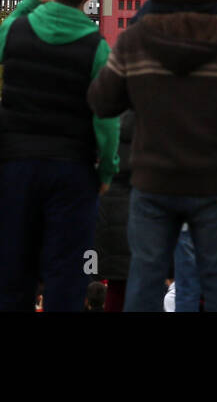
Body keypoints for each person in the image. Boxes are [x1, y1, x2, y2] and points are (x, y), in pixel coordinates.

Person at [88, 2, 217, 312]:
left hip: (136, 207)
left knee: (136, 288)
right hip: (202, 194)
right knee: (210, 284)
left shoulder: (132, 91)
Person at [0, 0, 118, 312]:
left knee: (15, 265)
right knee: (66, 271)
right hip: (72, 171)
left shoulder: (18, 30)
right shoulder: (97, 47)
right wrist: (106, 172)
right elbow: (106, 119)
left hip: (17, 166)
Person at [94, 109, 134, 311]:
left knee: (116, 286)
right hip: (140, 206)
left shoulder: (109, 124)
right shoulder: (150, 123)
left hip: (110, 208)